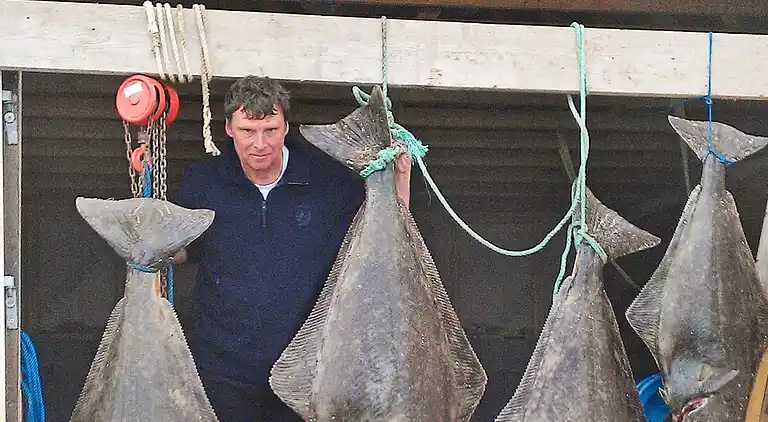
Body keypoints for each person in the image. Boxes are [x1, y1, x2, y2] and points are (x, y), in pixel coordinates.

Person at [172, 75, 413, 421]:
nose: (259, 143)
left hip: (307, 368)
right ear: (228, 129)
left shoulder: (328, 180)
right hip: (221, 368)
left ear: (286, 127)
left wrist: (399, 180)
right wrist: (148, 247)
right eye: (247, 131)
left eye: (270, 130)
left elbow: (382, 240)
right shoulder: (203, 182)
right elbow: (182, 249)